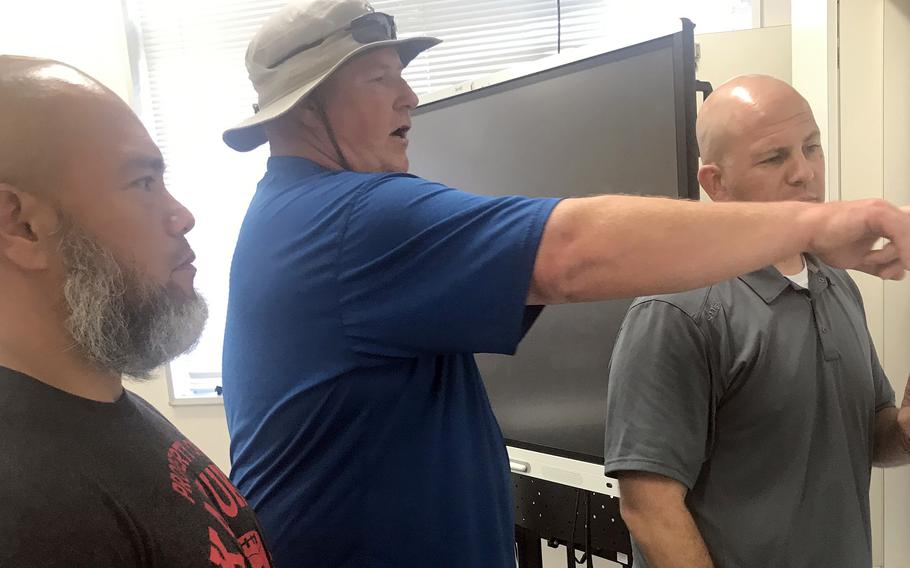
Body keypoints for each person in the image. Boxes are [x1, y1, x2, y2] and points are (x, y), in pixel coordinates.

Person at [220, 1, 910, 565]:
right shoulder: (348, 220)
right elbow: (573, 253)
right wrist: (814, 224)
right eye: (377, 79)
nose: (410, 93)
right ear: (305, 108)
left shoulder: (305, 220)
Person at [603, 74, 910, 568]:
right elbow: (649, 510)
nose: (805, 173)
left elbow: (869, 437)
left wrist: (904, 431)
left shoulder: (837, 283)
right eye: (775, 157)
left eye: (812, 148)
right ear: (716, 183)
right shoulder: (676, 310)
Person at [0, 56, 272, 567]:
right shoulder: (28, 506)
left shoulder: (97, 404)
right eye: (143, 183)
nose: (182, 215)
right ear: (22, 227)